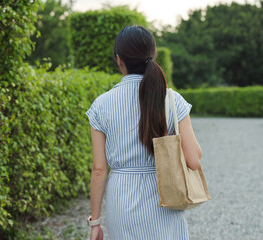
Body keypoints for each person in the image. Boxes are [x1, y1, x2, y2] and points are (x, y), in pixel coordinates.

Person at [86, 25, 202, 240]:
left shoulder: (101, 105)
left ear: (118, 59)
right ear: (152, 54)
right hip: (166, 194)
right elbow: (193, 160)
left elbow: (99, 169)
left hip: (121, 199)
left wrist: (95, 222)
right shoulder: (172, 99)